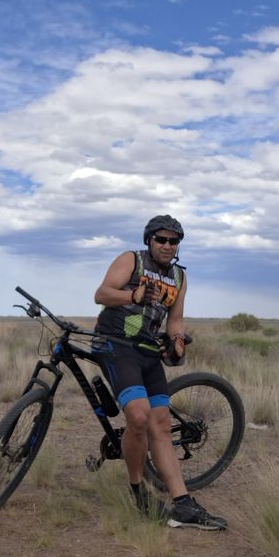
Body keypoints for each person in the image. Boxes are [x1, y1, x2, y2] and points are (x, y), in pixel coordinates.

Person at [93, 214, 227, 530]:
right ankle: (138, 491)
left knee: (161, 423)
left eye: (173, 241)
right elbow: (102, 294)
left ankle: (183, 505)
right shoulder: (132, 260)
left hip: (147, 349)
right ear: (149, 240)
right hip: (116, 344)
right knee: (139, 417)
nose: (167, 245)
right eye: (161, 239)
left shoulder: (179, 277)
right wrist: (133, 295)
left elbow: (175, 319)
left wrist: (177, 341)